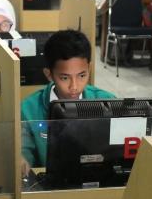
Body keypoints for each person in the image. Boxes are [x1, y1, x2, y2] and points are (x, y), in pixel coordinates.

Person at [20, 29, 116, 171]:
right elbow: (24, 152)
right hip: (51, 187)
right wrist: (21, 161)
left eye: (82, 76)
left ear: (89, 69)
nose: (74, 86)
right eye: (65, 78)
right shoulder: (28, 109)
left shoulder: (108, 102)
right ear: (49, 74)